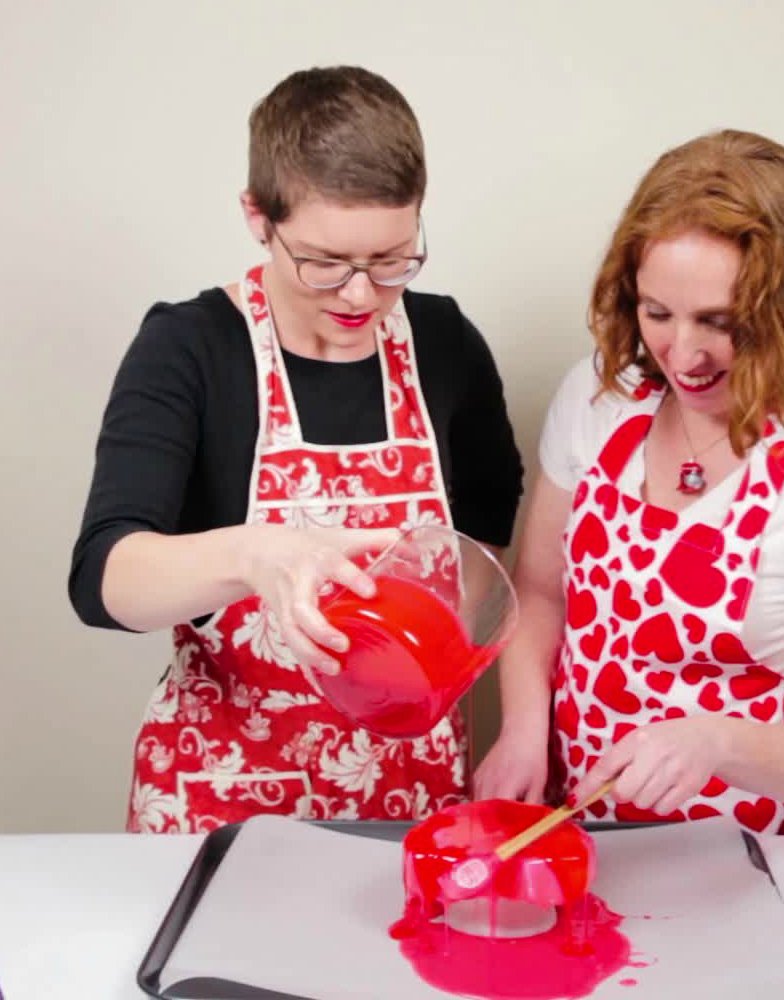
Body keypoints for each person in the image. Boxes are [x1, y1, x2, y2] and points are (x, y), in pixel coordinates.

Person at [70, 66, 523, 833]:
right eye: (324, 262)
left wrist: (430, 656)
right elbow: (103, 578)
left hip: (408, 792)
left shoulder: (445, 342)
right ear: (257, 215)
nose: (360, 294)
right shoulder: (191, 348)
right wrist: (255, 557)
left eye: (391, 260)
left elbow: (488, 520)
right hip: (226, 795)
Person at [474, 129, 784, 835]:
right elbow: (540, 593)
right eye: (657, 313)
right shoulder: (598, 400)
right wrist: (524, 729)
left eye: (721, 323)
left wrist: (715, 742)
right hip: (587, 835)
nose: (682, 354)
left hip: (759, 855)